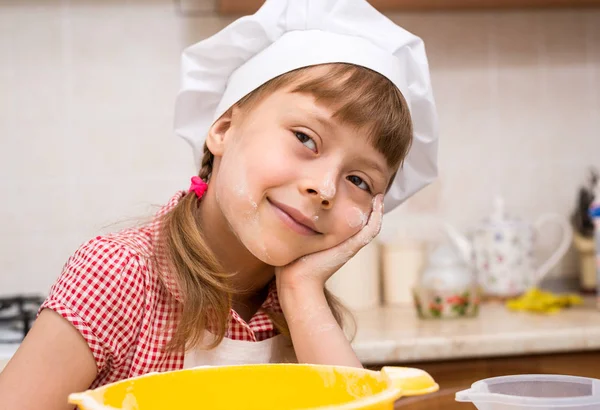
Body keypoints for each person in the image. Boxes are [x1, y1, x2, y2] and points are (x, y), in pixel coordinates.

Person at [0, 0, 438, 409]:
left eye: (358, 180)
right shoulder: (117, 276)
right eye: (306, 138)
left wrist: (301, 292)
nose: (325, 188)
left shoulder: (302, 314)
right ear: (224, 128)